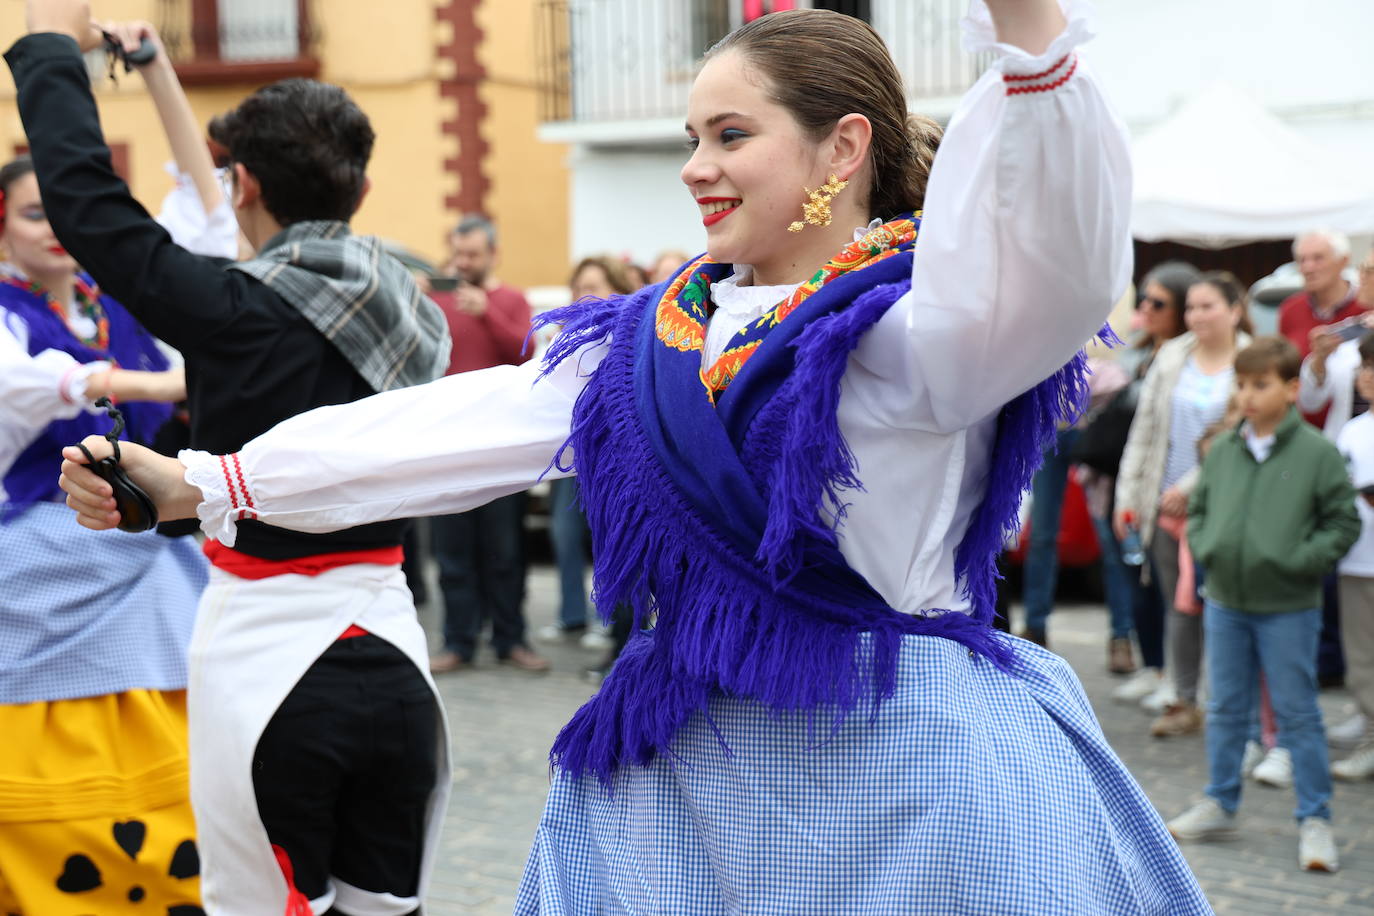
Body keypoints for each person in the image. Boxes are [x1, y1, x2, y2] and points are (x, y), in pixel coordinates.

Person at [61, 3, 1213, 911]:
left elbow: (1045, 259)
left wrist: (1027, 30)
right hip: (687, 770)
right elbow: (468, 424)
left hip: (893, 755)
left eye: (731, 135)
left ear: (843, 145)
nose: (696, 167)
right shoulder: (653, 338)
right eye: (691, 138)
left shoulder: (914, 329)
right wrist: (212, 480)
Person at [7, 10, 454, 914]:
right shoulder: (415, 307)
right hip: (401, 662)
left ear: (242, 183)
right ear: (358, 188)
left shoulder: (235, 313)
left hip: (267, 662)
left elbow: (90, 209)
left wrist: (48, 53)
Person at [0, 151, 207, 914]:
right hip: (41, 558)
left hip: (154, 556)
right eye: (33, 214)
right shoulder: (5, 314)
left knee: (184, 752)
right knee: (47, 781)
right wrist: (166, 381)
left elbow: (211, 222)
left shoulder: (121, 306)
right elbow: (30, 382)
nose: (56, 231)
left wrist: (154, 70)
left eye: (66, 214)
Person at [1166, 336, 1358, 873]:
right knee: (1226, 708)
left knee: (1298, 714)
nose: (1247, 396)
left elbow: (1342, 523)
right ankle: (1220, 801)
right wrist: (1207, 548)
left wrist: (1298, 559)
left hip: (1288, 606)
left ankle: (1315, 819)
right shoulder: (1225, 448)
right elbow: (1199, 509)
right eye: (1241, 385)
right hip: (1226, 601)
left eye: (1261, 385)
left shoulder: (1318, 452)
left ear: (1292, 389)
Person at [1116, 272, 1253, 738]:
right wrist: (1128, 497)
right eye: (1191, 307)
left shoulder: (1250, 360)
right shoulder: (1173, 355)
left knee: (1223, 604)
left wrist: (1190, 487)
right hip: (1163, 502)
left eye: (1207, 306)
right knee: (1177, 604)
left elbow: (1239, 432)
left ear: (1235, 309)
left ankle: (1228, 705)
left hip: (1221, 504)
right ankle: (1182, 696)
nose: (1195, 315)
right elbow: (1145, 430)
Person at [428, 214, 549, 673]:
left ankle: (511, 639)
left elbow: (525, 351)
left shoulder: (512, 299)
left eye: (473, 254)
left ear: (493, 255)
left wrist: (487, 311)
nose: (463, 262)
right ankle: (458, 642)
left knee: (505, 551)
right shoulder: (438, 302)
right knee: (452, 550)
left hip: (502, 446)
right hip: (449, 445)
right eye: (458, 253)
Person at [1093, 261, 1197, 694]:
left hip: (1169, 486)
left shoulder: (1187, 361)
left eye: (1159, 302)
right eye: (1145, 301)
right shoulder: (1135, 353)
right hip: (1124, 480)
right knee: (1134, 576)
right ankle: (1153, 666)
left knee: (1173, 588)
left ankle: (1177, 678)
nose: (1148, 310)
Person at [537, 255, 634, 648]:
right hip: (568, 457)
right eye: (577, 288)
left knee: (607, 538)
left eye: (592, 287)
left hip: (610, 459)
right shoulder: (561, 338)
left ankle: (607, 619)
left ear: (616, 289)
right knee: (563, 534)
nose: (581, 296)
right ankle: (571, 616)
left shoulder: (627, 332)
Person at [1328, 332, 1374, 780]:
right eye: (1364, 367)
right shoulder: (1353, 430)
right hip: (1358, 557)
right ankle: (1368, 727)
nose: (1367, 377)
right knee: (1361, 654)